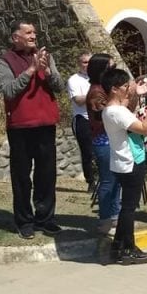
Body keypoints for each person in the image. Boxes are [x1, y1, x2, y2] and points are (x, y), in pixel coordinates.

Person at [0, 21, 64, 239]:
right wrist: (31, 71)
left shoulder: (46, 56)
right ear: (15, 37)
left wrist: (46, 71)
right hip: (20, 127)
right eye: (28, 32)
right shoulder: (5, 60)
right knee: (22, 177)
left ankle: (45, 218)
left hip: (45, 124)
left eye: (34, 32)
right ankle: (24, 221)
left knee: (46, 175)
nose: (34, 36)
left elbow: (59, 86)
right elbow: (8, 91)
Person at [101, 67, 147, 265]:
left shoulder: (110, 110)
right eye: (125, 86)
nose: (128, 90)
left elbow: (127, 103)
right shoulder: (117, 112)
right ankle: (128, 248)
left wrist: (139, 91)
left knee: (126, 207)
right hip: (131, 162)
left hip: (122, 161)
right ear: (114, 89)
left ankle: (118, 245)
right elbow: (144, 129)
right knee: (128, 209)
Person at [86, 53, 122, 236]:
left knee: (116, 181)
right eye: (111, 67)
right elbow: (107, 115)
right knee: (108, 181)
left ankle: (115, 216)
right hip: (103, 141)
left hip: (112, 139)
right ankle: (105, 220)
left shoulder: (105, 89)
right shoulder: (96, 92)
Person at [67, 52, 94, 192]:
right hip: (82, 118)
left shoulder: (98, 78)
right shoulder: (74, 80)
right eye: (84, 62)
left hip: (99, 118)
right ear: (79, 64)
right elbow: (78, 100)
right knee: (87, 151)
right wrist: (96, 93)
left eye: (90, 62)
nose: (87, 65)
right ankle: (91, 181)